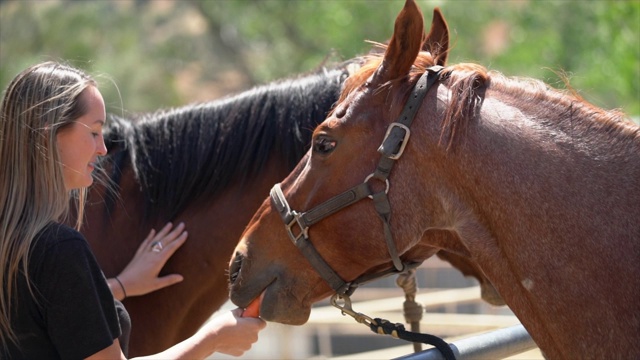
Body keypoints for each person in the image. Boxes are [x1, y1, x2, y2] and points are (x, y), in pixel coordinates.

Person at [0, 61, 266, 359]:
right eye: (94, 132)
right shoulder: (59, 250)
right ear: (48, 138)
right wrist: (212, 338)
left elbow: (36, 313)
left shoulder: (17, 242)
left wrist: (119, 286)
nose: (102, 148)